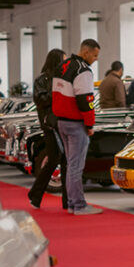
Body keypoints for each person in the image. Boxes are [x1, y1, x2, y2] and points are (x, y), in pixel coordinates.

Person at [52, 38, 102, 215]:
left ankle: (73, 203)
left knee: (70, 164)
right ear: (86, 52)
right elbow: (85, 99)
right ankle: (79, 205)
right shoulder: (83, 71)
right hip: (75, 123)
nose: (95, 59)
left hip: (61, 121)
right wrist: (90, 124)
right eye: (94, 55)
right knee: (76, 166)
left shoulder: (63, 66)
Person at [28, 48, 69, 211]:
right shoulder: (42, 80)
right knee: (56, 159)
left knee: (63, 159)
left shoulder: (63, 79)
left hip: (64, 123)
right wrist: (57, 93)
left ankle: (65, 200)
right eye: (63, 60)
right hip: (50, 125)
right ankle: (36, 194)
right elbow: (40, 100)